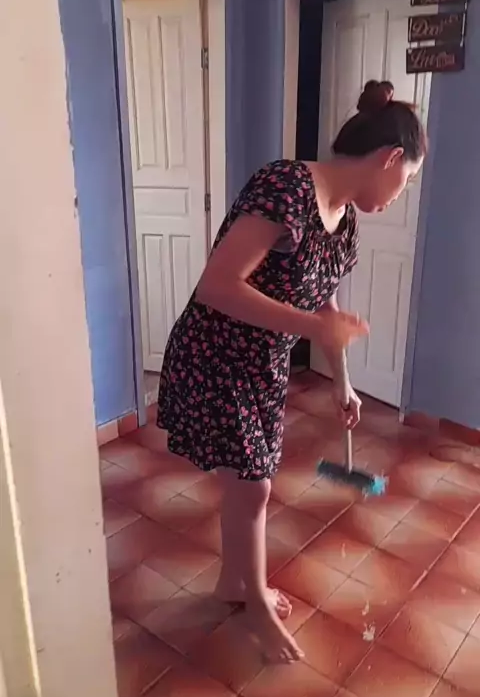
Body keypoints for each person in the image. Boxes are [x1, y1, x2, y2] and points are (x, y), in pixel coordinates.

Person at [157, 80, 427, 663]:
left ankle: (233, 583)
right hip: (218, 352)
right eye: (406, 182)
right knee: (253, 484)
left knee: (244, 481)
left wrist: (343, 380)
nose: (400, 195)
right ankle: (253, 596)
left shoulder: (344, 223)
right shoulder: (286, 186)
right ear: (389, 159)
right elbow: (216, 286)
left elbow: (324, 305)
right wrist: (311, 330)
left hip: (263, 364)